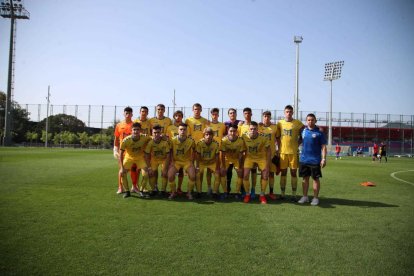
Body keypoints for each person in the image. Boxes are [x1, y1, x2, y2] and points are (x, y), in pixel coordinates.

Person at [276, 105, 304, 201]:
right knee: (283, 173)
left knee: (293, 173)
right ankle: (282, 194)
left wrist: (299, 142)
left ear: (293, 112)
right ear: (284, 112)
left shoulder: (297, 123)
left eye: (290, 111)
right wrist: (278, 147)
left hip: (293, 153)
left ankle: (294, 195)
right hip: (283, 152)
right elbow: (277, 136)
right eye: (287, 111)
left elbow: (304, 132)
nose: (289, 113)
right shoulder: (280, 123)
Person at [298, 113, 327, 206]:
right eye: (308, 120)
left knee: (315, 179)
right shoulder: (303, 131)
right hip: (304, 160)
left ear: (315, 121)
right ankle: (305, 196)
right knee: (304, 179)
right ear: (306, 121)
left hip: (315, 160)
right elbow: (298, 142)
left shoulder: (319, 132)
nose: (310, 121)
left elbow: (323, 147)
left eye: (312, 120)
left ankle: (315, 198)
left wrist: (323, 159)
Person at [119, 122, 151, 198]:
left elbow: (153, 138)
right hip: (129, 158)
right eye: (134, 129)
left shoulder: (144, 137)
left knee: (146, 174)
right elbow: (121, 153)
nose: (136, 131)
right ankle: (127, 192)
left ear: (140, 131)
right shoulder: (126, 140)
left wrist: (162, 137)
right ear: (131, 130)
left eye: (138, 130)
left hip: (140, 158)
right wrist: (122, 167)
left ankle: (141, 191)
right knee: (122, 173)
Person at [242, 121, 270, 204]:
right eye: (251, 129)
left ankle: (262, 195)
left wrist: (268, 165)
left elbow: (269, 151)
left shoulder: (263, 137)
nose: (253, 130)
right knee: (245, 175)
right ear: (248, 129)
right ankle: (247, 194)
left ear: (257, 129)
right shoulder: (244, 136)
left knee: (265, 174)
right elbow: (242, 149)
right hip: (249, 157)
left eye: (254, 129)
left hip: (261, 158)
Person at [113, 106, 139, 194]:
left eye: (129, 113)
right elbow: (116, 138)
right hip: (122, 151)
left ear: (132, 114)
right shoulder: (119, 125)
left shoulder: (135, 125)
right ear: (124, 114)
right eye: (126, 113)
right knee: (122, 169)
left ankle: (134, 186)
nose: (128, 115)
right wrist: (115, 149)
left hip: (132, 152)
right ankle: (121, 187)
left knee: (134, 169)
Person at [167, 123, 196, 200]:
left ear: (187, 131)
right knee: (170, 176)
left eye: (184, 130)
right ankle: (173, 192)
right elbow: (170, 151)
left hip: (187, 161)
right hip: (176, 162)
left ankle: (189, 193)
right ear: (178, 130)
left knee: (193, 176)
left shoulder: (191, 141)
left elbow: (194, 151)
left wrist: (192, 162)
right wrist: (171, 162)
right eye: (181, 129)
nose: (182, 131)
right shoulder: (172, 140)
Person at [185, 103, 209, 193]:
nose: (197, 111)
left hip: (201, 147)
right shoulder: (188, 120)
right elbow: (187, 133)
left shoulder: (205, 121)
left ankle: (199, 189)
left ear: (201, 110)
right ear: (193, 110)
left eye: (198, 109)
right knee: (190, 168)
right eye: (195, 109)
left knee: (199, 170)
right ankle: (190, 189)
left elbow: (207, 132)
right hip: (191, 147)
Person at [144, 125, 171, 196]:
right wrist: (149, 168)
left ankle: (163, 190)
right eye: (154, 132)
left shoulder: (165, 142)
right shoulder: (150, 143)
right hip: (154, 160)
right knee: (151, 173)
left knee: (165, 173)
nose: (156, 134)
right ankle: (154, 190)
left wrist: (165, 168)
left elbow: (168, 155)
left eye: (158, 132)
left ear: (161, 133)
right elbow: (146, 155)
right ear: (152, 133)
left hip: (164, 159)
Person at [220, 124, 245, 199]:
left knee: (240, 173)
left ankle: (237, 193)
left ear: (237, 132)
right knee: (222, 172)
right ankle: (225, 192)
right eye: (231, 131)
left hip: (237, 159)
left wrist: (240, 167)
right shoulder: (224, 140)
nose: (232, 133)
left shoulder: (240, 140)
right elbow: (222, 154)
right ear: (228, 131)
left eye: (234, 131)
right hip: (227, 159)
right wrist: (223, 166)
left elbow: (241, 155)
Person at [195, 127, 221, 199]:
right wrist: (197, 166)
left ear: (213, 135)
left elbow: (217, 156)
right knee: (197, 174)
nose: (208, 136)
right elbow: (197, 155)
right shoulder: (200, 143)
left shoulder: (216, 144)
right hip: (202, 162)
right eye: (206, 134)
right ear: (204, 135)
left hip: (212, 162)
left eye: (210, 134)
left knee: (217, 175)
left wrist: (217, 167)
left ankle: (215, 192)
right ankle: (199, 192)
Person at [259, 110, 279, 200]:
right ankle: (261, 192)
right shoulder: (259, 127)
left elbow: (278, 139)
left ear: (270, 117)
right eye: (265, 116)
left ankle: (271, 192)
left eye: (268, 116)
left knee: (271, 174)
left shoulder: (274, 127)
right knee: (263, 174)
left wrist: (279, 149)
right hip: (261, 155)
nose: (266, 118)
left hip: (272, 154)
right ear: (263, 117)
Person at [238, 107, 258, 199]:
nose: (247, 115)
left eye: (249, 113)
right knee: (243, 172)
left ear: (251, 114)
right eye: (245, 113)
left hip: (253, 154)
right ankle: (244, 190)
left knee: (253, 171)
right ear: (243, 114)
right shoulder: (240, 126)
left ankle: (253, 189)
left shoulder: (255, 125)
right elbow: (238, 138)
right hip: (243, 153)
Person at [207, 108, 226, 195]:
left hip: (219, 151)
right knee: (208, 170)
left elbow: (225, 135)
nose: (215, 116)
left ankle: (216, 188)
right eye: (213, 114)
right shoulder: (207, 125)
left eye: (216, 114)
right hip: (209, 150)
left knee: (218, 170)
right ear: (211, 115)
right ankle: (209, 187)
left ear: (218, 115)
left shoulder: (222, 125)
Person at [166, 110, 185, 194]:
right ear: (174, 117)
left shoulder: (185, 127)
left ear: (182, 117)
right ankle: (172, 189)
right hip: (172, 152)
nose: (178, 117)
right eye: (176, 116)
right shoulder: (170, 127)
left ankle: (179, 188)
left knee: (181, 171)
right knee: (171, 171)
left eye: (180, 116)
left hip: (182, 153)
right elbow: (168, 140)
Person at [224, 108, 241, 193]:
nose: (232, 114)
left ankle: (241, 189)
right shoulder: (225, 124)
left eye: (234, 113)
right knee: (228, 171)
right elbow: (224, 135)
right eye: (230, 113)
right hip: (229, 151)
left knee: (240, 172)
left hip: (238, 151)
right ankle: (228, 188)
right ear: (228, 115)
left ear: (236, 114)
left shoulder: (240, 123)